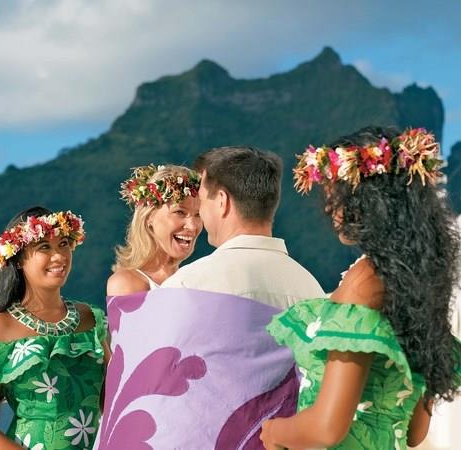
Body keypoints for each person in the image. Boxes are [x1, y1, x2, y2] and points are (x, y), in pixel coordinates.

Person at [95, 148, 323, 450]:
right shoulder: (311, 287)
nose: (193, 224)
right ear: (149, 219)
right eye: (180, 212)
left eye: (198, 210)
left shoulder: (192, 283)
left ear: (222, 202)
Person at [261, 126, 461, 449]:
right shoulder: (417, 283)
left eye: (336, 196)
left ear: (370, 200)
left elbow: (327, 428)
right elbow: (415, 432)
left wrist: (273, 432)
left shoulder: (364, 283)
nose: (330, 208)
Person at [0, 206, 110, 450]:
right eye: (44, 247)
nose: (59, 256)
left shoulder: (90, 318)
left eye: (63, 244)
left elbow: (112, 401)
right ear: (19, 259)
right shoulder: (0, 328)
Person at [163, 146, 324, 307]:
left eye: (202, 201)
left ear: (222, 201)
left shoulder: (186, 287)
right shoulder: (312, 290)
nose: (201, 212)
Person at [107, 164, 203, 295]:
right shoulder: (126, 283)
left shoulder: (195, 281)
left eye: (198, 215)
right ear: (149, 216)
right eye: (180, 212)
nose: (192, 226)